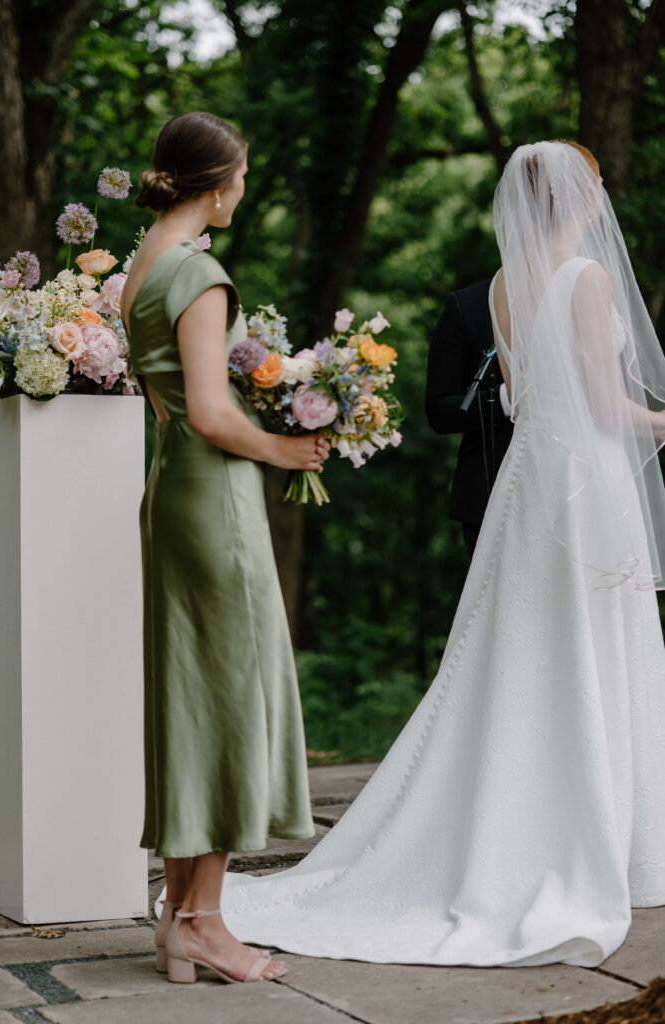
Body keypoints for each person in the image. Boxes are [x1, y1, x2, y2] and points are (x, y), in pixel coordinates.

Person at [216, 140, 665, 967]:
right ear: (578, 198)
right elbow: (608, 408)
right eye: (596, 187)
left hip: (529, 486)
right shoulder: (588, 280)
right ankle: (607, 842)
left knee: (522, 653)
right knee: (593, 646)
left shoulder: (500, 286)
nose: (601, 200)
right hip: (580, 486)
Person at [120, 111, 329, 985]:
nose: (240, 191)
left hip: (170, 492)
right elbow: (208, 411)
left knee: (189, 698)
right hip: (214, 499)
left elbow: (172, 402)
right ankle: (204, 921)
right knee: (231, 697)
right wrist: (285, 448)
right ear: (218, 184)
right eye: (240, 178)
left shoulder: (140, 268)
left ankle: (182, 921)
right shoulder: (199, 272)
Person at [425, 279, 514, 557]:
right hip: (490, 494)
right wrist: (509, 399)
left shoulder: (583, 292)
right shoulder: (470, 304)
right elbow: (439, 410)